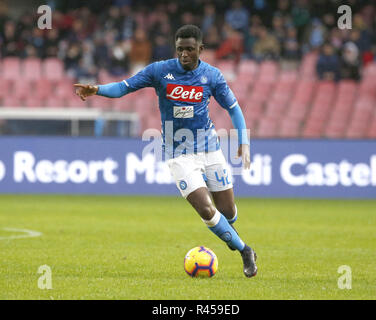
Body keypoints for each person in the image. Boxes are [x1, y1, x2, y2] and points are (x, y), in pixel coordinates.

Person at [74, 25, 257, 277]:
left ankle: (234, 238)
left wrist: (243, 142)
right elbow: (124, 87)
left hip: (211, 149)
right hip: (178, 153)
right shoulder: (160, 71)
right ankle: (246, 251)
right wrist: (98, 89)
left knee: (227, 212)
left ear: (200, 50)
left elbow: (234, 108)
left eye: (190, 50)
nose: (184, 54)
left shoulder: (212, 76)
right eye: (180, 49)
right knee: (206, 210)